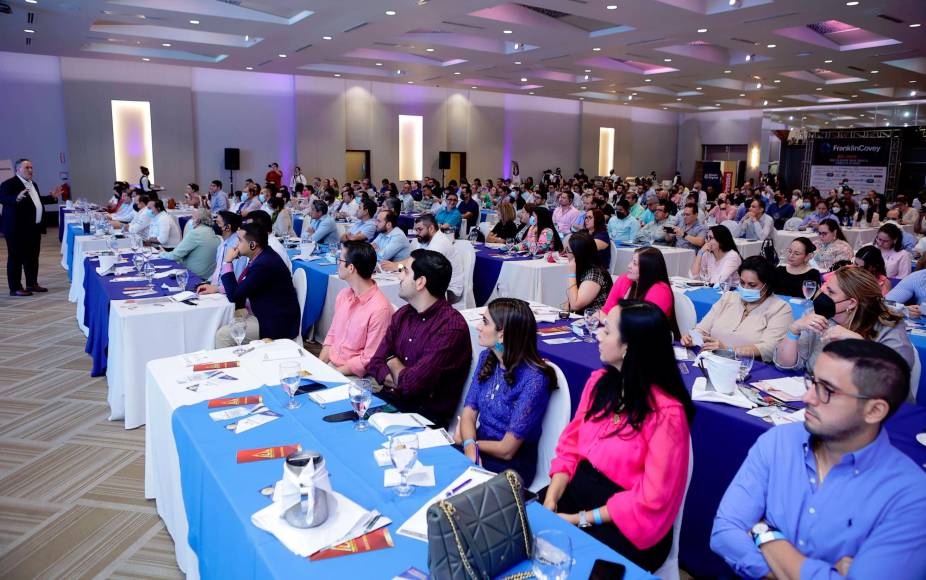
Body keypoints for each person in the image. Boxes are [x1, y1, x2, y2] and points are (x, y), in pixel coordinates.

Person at [712, 339, 926, 579]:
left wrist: (763, 534)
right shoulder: (779, 442)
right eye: (812, 381)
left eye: (827, 390)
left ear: (874, 410)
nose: (807, 397)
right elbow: (724, 532)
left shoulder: (911, 496)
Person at [541, 301, 694, 572]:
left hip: (631, 521)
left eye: (607, 331)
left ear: (628, 347)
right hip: (577, 492)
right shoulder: (599, 383)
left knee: (572, 565)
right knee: (524, 529)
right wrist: (552, 496)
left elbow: (652, 497)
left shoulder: (666, 413)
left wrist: (579, 520)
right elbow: (570, 446)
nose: (598, 334)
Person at [456, 298, 557, 484]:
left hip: (511, 465)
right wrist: (469, 445)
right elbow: (469, 412)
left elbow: (507, 449)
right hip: (479, 444)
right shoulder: (487, 357)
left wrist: (469, 442)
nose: (478, 327)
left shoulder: (534, 379)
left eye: (485, 322)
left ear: (502, 335)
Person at [368, 250, 472, 427]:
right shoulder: (402, 314)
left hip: (423, 420)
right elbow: (375, 363)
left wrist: (391, 359)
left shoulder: (451, 328)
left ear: (420, 282)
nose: (399, 276)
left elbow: (411, 385)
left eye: (405, 271)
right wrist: (402, 377)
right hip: (390, 403)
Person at [774, 266, 916, 380]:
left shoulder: (888, 327)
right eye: (824, 286)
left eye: (830, 291)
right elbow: (785, 365)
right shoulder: (817, 315)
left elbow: (894, 376)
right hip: (822, 395)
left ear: (852, 303)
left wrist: (860, 344)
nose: (821, 293)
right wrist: (793, 331)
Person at [198, 222, 300, 346]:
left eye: (239, 241)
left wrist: (227, 262)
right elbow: (245, 287)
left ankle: (233, 364)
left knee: (223, 336)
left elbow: (235, 296)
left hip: (275, 323)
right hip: (263, 312)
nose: (236, 245)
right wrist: (218, 288)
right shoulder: (263, 255)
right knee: (219, 322)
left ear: (252, 245)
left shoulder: (264, 264)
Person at [682, 257, 792, 361]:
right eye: (742, 283)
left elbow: (770, 348)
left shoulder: (780, 308)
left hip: (749, 367)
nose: (745, 288)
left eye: (752, 285)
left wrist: (728, 350)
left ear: (767, 286)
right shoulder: (729, 297)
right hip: (712, 360)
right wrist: (693, 337)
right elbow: (703, 328)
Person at [319, 241, 393, 377]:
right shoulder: (343, 295)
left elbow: (368, 360)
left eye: (340, 260)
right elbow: (332, 336)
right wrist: (319, 368)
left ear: (351, 268)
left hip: (358, 377)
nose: (337, 264)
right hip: (333, 368)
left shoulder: (380, 309)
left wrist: (332, 374)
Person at [0, 159, 58, 296]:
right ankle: (15, 288)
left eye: (31, 167)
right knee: (16, 258)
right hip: (16, 229)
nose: (30, 170)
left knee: (32, 257)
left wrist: (52, 198)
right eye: (27, 168)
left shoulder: (33, 184)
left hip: (33, 228)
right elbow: (3, 198)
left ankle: (32, 283)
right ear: (18, 170)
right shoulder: (9, 184)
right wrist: (16, 198)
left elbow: (36, 200)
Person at [385, 214, 465, 304]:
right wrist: (397, 267)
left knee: (410, 288)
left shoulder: (439, 244)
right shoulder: (426, 239)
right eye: (416, 230)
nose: (417, 233)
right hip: (435, 282)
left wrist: (397, 266)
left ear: (431, 228)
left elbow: (419, 266)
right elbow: (414, 260)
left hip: (450, 291)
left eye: (420, 229)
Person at [161, 208, 221, 280]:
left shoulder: (196, 233)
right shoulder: (212, 231)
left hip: (193, 276)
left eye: (192, 218)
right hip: (207, 276)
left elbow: (175, 255)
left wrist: (161, 253)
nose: (191, 221)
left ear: (198, 220)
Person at [563, 231, 613, 313]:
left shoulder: (594, 275)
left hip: (593, 322)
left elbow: (575, 305)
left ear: (578, 254)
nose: (566, 254)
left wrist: (571, 274)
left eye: (568, 250)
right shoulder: (584, 268)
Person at [209, 211, 246, 286]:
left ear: (227, 227)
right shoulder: (222, 245)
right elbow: (218, 270)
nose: (215, 225)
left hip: (226, 290)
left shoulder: (237, 246)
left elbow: (236, 278)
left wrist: (217, 289)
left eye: (218, 223)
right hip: (216, 286)